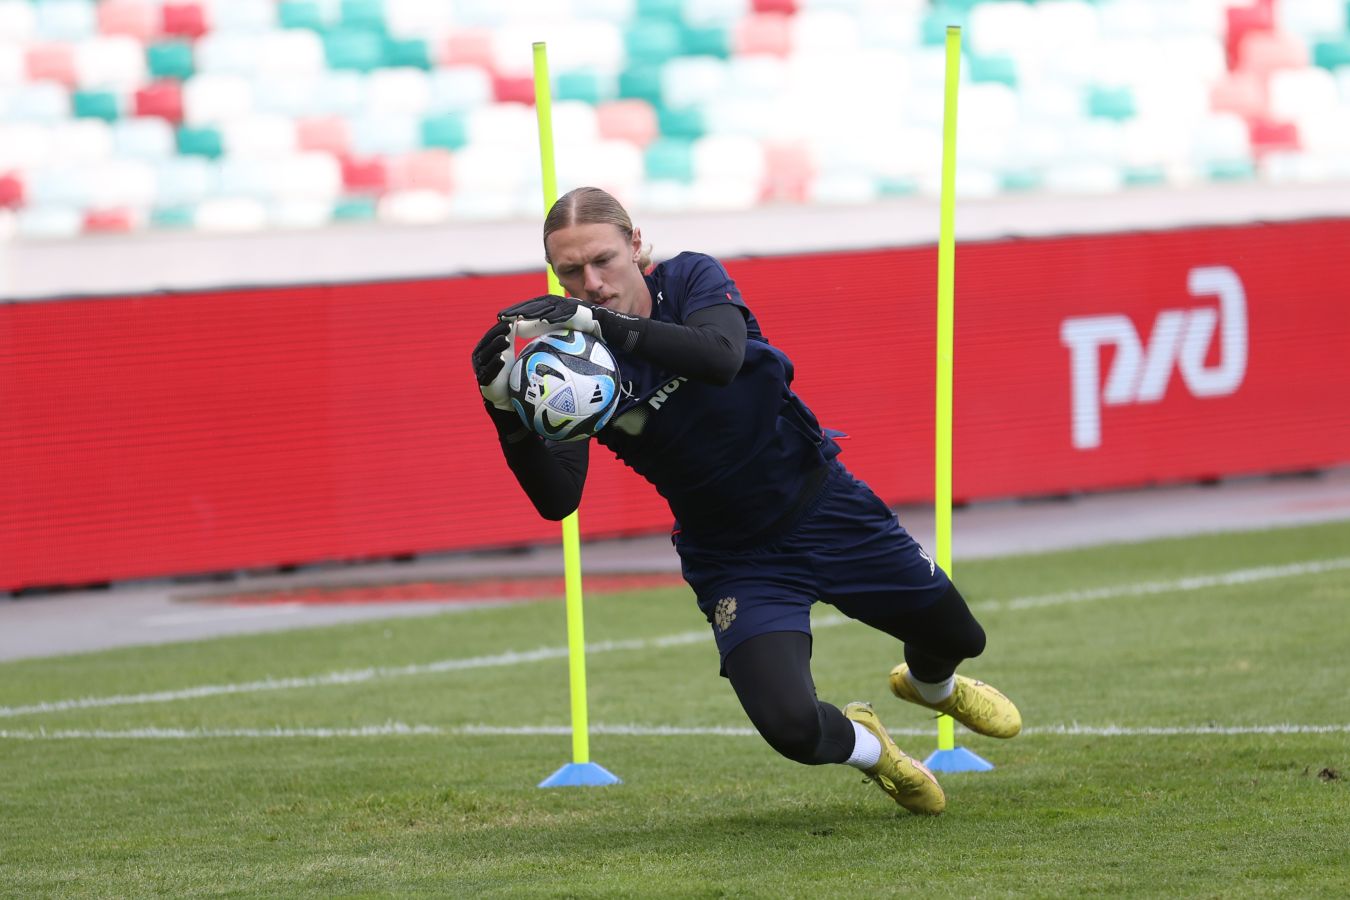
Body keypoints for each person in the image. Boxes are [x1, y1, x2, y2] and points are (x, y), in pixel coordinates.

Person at [470, 186, 1021, 815]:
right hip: (735, 559)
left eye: (603, 260)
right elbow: (558, 499)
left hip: (824, 507)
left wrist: (601, 323)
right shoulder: (569, 366)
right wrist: (506, 412)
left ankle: (932, 686)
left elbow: (721, 357)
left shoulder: (689, 280)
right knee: (792, 727)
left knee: (959, 634)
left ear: (636, 245)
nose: (589, 282)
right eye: (570, 271)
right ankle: (873, 751)